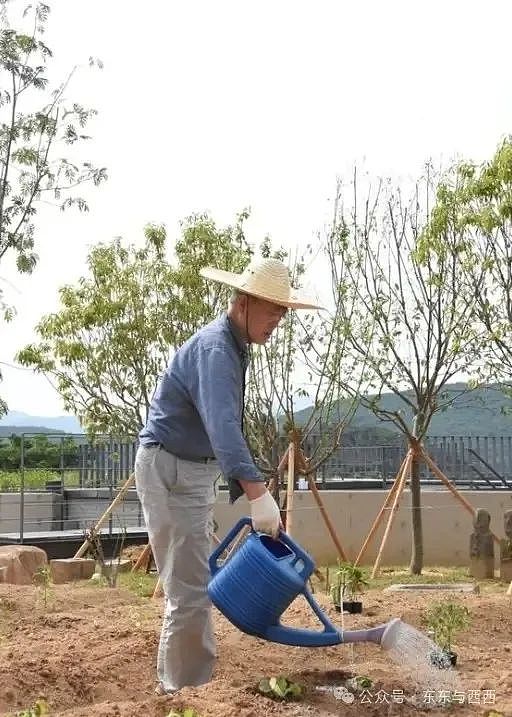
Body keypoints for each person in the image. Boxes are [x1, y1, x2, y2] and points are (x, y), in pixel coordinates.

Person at [135, 256, 321, 695]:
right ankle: (183, 693)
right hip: (171, 469)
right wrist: (257, 494)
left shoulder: (234, 348)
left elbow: (222, 430)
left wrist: (254, 490)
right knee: (188, 590)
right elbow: (223, 427)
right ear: (242, 302)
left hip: (191, 472)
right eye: (273, 308)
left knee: (193, 585)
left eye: (283, 311)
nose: (279, 319)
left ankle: (186, 685)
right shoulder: (218, 349)